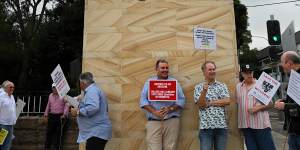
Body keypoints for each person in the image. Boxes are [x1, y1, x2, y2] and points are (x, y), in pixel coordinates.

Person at [140, 59, 185, 150]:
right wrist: (154, 112)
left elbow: (181, 100)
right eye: (162, 68)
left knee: (170, 148)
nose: (165, 70)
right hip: (154, 121)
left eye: (167, 68)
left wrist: (170, 109)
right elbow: (143, 100)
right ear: (156, 69)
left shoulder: (174, 82)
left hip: (171, 121)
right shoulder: (149, 82)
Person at [236, 64, 276, 150]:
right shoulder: (238, 87)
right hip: (246, 125)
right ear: (242, 74)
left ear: (253, 73)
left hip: (261, 125)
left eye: (250, 72)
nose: (249, 74)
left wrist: (257, 108)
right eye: (246, 73)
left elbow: (271, 104)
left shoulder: (261, 84)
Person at [194, 61, 230, 150]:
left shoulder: (222, 86)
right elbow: (201, 105)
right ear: (204, 72)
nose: (213, 71)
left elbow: (227, 101)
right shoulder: (198, 87)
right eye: (210, 69)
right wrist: (204, 91)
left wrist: (209, 103)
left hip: (221, 127)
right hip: (206, 128)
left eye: (214, 69)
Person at [70, 72, 112, 150]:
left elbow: (93, 107)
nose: (79, 85)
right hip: (96, 132)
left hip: (97, 132)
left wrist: (78, 112)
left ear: (82, 83)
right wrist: (71, 100)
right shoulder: (92, 90)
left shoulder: (92, 91)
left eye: (80, 83)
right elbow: (84, 100)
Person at [274, 51, 300, 150]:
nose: (281, 66)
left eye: (282, 62)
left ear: (289, 63)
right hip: (293, 131)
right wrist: (284, 102)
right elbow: (295, 101)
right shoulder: (294, 77)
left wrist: (284, 106)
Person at [44, 83, 69, 150]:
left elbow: (67, 105)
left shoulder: (63, 95)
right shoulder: (50, 95)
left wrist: (64, 114)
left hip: (60, 116)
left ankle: (57, 148)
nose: (54, 89)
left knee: (59, 134)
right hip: (52, 116)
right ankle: (47, 147)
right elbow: (48, 105)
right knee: (49, 133)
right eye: (53, 87)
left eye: (56, 87)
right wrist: (46, 115)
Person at [0, 81, 16, 150]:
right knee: (1, 142)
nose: (12, 88)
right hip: (3, 125)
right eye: (10, 87)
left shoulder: (12, 97)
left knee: (8, 144)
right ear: (5, 88)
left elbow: (13, 109)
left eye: (13, 87)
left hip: (11, 125)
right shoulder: (1, 97)